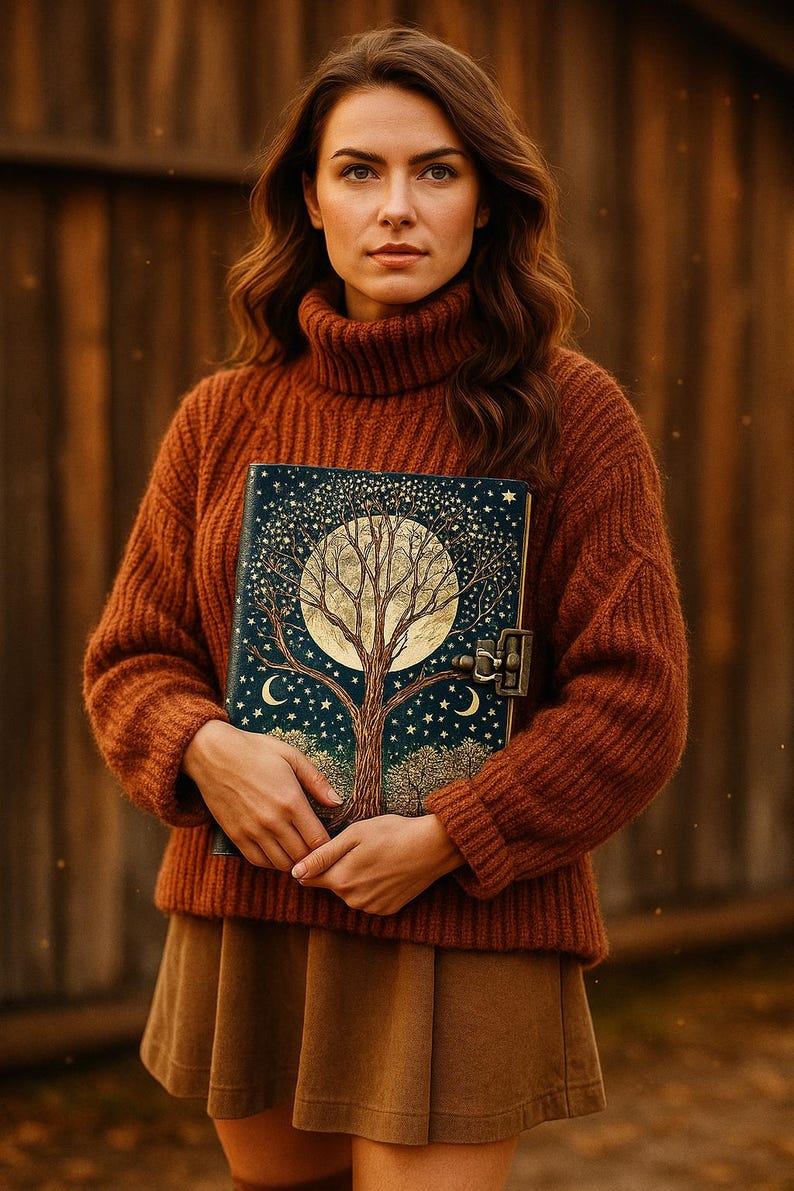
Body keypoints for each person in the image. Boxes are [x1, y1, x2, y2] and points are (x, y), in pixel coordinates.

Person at [83, 25, 688, 1191]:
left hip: (461, 919)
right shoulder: (223, 417)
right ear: (309, 200)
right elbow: (132, 657)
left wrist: (451, 837)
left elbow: (633, 700)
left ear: (486, 201)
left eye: (437, 170)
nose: (395, 206)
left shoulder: (569, 414)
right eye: (359, 170)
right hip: (254, 907)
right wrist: (202, 749)